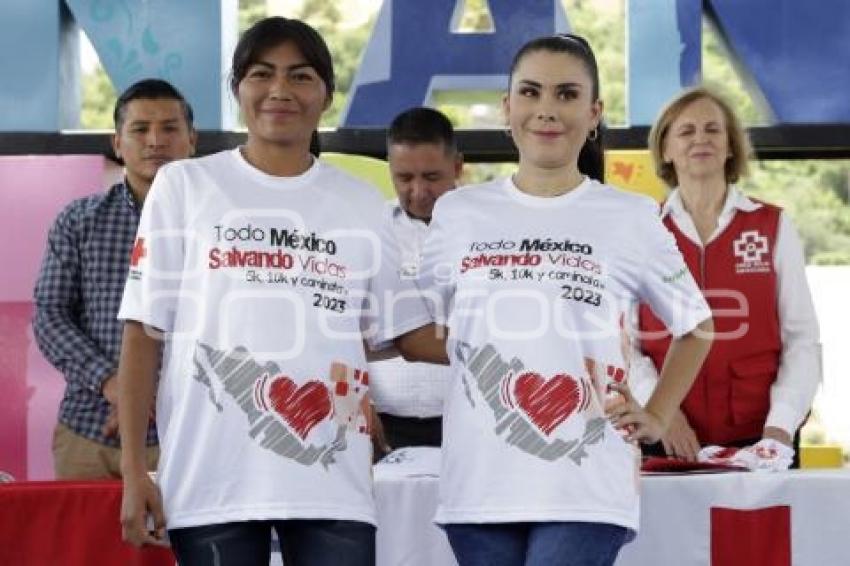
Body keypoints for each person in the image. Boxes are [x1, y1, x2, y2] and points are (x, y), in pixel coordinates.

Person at [116, 17, 429, 566]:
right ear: (237, 88)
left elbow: (412, 334)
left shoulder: (362, 203)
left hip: (334, 481)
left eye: (301, 76)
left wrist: (539, 328)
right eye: (262, 73)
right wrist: (133, 470)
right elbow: (143, 333)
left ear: (326, 95)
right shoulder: (186, 186)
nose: (280, 90)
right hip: (211, 480)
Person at [394, 34, 714, 566]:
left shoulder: (629, 216)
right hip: (480, 484)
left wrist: (657, 416)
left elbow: (697, 324)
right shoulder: (459, 213)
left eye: (566, 95)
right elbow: (421, 328)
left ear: (593, 114)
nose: (547, 110)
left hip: (587, 481)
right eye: (531, 92)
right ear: (508, 108)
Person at [632, 86, 820, 467]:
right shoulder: (642, 231)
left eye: (713, 129)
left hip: (762, 438)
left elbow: (802, 339)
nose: (700, 138)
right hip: (666, 436)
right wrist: (662, 413)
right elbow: (627, 345)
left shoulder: (772, 225)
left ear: (731, 145)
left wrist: (780, 428)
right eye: (685, 131)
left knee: (761, 530)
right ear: (665, 150)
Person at [32, 79, 196, 480]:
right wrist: (114, 384)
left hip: (192, 434)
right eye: (140, 129)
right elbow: (50, 315)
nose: (155, 140)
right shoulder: (79, 221)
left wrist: (152, 395)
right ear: (118, 142)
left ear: (191, 140)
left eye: (170, 129)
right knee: (82, 544)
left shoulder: (221, 225)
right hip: (90, 433)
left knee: (186, 546)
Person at [369, 107, 463, 453]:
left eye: (432, 177)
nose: (419, 191)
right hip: (383, 422)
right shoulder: (368, 229)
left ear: (457, 166)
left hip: (469, 419)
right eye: (404, 178)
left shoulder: (488, 233)